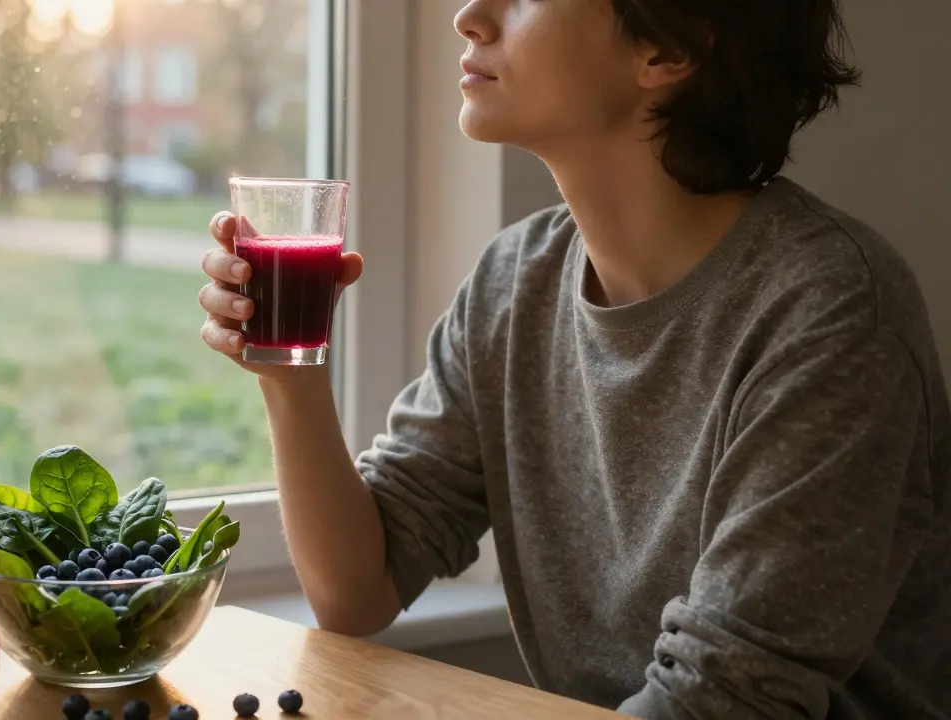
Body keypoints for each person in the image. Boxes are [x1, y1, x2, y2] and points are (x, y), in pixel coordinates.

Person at [198, 0, 950, 717]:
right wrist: (289, 376)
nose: (469, 17)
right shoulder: (513, 282)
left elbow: (723, 702)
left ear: (669, 47)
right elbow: (357, 588)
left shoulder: (831, 314)